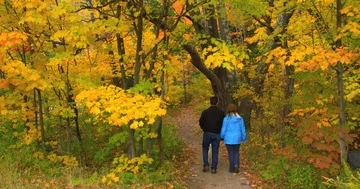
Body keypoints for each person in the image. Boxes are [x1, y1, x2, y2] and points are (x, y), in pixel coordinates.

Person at [199, 96, 225, 174]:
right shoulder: (221, 113)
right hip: (217, 134)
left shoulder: (205, 112)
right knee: (215, 151)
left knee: (205, 149)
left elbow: (201, 122)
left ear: (210, 102)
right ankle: (213, 168)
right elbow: (223, 124)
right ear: (217, 102)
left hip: (207, 133)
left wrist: (204, 128)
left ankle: (206, 165)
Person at [220, 103, 247, 173]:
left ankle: (231, 168)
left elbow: (223, 129)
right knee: (236, 152)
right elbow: (243, 129)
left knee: (230, 153)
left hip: (228, 138)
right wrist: (244, 138)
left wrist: (222, 136)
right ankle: (236, 165)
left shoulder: (226, 119)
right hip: (237, 138)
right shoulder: (240, 119)